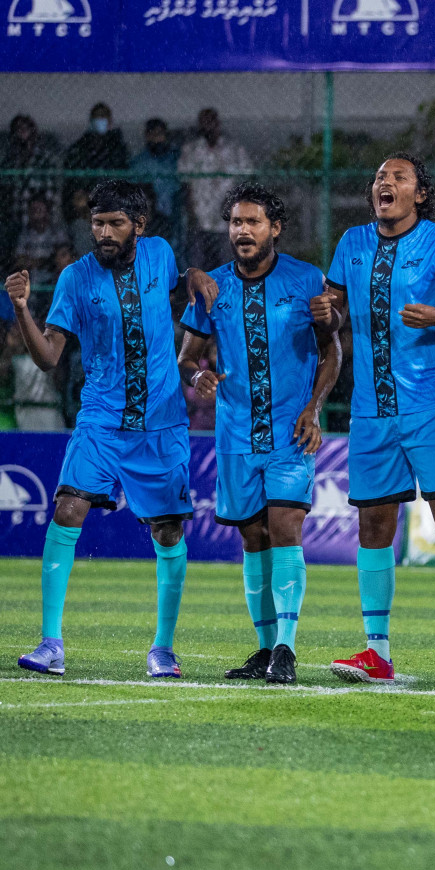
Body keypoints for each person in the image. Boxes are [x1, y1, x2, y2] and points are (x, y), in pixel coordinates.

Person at [8, 180, 212, 679]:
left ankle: (162, 649)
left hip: (161, 423)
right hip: (100, 416)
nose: (103, 232)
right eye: (97, 223)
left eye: (115, 223)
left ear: (138, 227)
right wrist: (21, 310)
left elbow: (181, 273)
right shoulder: (75, 278)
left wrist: (197, 274)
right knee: (69, 507)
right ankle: (50, 642)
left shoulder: (160, 254)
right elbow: (50, 356)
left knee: (167, 530)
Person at [314, 154, 435, 686]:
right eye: (378, 178)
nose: (384, 183)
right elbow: (335, 311)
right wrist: (328, 313)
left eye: (398, 178)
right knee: (373, 524)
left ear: (420, 195)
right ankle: (377, 652)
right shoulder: (351, 244)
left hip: (430, 405)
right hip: (371, 411)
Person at [178, 182, 341, 686]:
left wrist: (314, 408)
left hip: (292, 431)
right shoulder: (212, 288)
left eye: (253, 222)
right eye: (236, 223)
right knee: (253, 538)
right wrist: (196, 375)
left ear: (275, 229)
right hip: (234, 433)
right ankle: (266, 647)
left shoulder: (306, 279)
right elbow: (187, 357)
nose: (242, 231)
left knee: (285, 528)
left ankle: (287, 648)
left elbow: (332, 349)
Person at [180, 108, 253, 269]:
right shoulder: (191, 150)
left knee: (227, 261)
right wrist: (191, 210)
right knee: (197, 264)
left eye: (211, 122)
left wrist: (234, 201)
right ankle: (198, 293)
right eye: (204, 123)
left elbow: (247, 179)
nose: (208, 127)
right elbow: (185, 183)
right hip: (200, 214)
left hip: (226, 216)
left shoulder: (233, 150)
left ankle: (227, 292)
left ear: (217, 123)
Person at [63, 103, 130, 227]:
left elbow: (122, 177)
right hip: (89, 199)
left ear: (110, 121)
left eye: (103, 116)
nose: (100, 120)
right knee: (82, 202)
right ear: (91, 120)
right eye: (97, 116)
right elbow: (75, 181)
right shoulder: (80, 147)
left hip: (112, 199)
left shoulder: (118, 149)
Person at [0, 113, 60, 233]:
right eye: (18, 129)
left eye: (25, 128)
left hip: (41, 211)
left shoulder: (45, 158)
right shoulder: (9, 160)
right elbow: (5, 187)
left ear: (32, 132)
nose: (21, 132)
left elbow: (52, 189)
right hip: (16, 211)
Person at [129, 118, 183, 243]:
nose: (156, 139)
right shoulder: (139, 162)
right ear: (147, 136)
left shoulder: (174, 158)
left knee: (174, 247)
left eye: (160, 134)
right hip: (149, 215)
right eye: (153, 134)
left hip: (172, 212)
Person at [8, 323, 64, 431]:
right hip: (24, 412)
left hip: (49, 410)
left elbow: (59, 379)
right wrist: (12, 346)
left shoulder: (50, 356)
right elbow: (1, 374)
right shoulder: (15, 358)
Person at [16, 195, 63, 283]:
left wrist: (41, 262)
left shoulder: (57, 233)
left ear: (47, 212)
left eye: (40, 210)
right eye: (33, 210)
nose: (36, 214)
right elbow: (19, 260)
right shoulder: (24, 234)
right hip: (31, 282)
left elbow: (63, 259)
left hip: (53, 281)